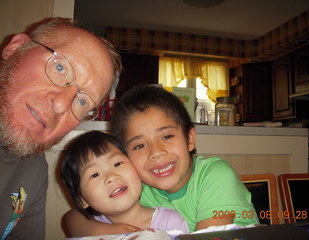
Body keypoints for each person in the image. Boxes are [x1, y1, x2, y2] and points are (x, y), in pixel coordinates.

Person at [65, 85, 259, 236]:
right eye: (139, 146)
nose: (156, 153)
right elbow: (71, 218)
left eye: (166, 136)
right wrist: (104, 232)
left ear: (189, 139)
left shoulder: (215, 175)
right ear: (127, 156)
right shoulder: (138, 187)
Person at [0, 17, 122, 239]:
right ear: (15, 47)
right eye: (60, 67)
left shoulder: (33, 170)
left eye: (83, 102)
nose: (61, 104)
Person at [61, 130, 189, 238]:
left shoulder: (172, 224)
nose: (111, 176)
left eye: (117, 164)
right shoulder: (88, 230)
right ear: (82, 199)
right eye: (94, 175)